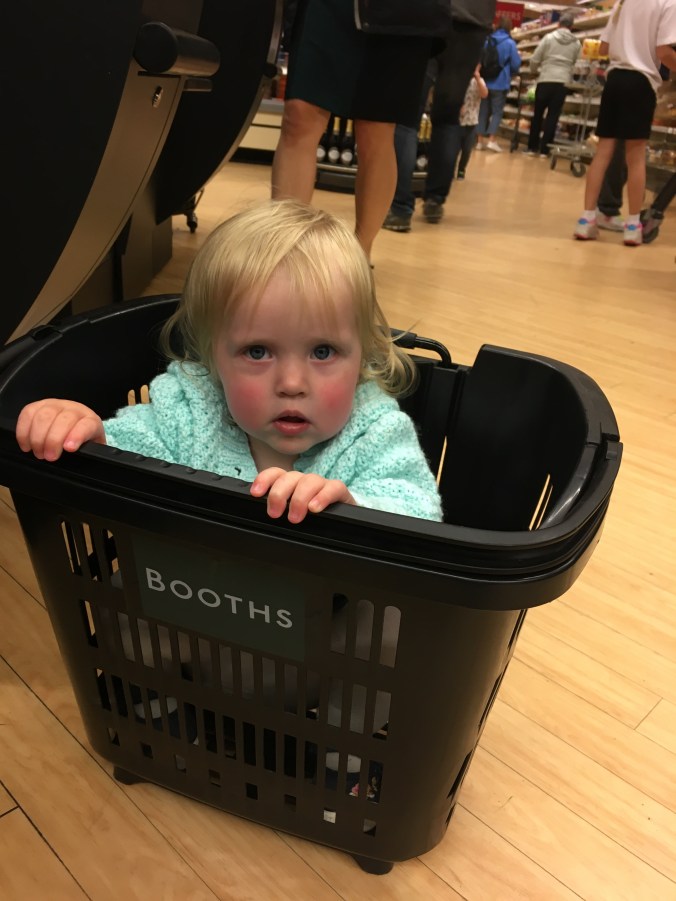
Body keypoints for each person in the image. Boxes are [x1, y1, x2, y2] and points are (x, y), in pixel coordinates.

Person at [16, 200, 443, 524]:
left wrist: (355, 509)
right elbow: (125, 454)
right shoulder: (190, 414)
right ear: (212, 359)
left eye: (322, 352)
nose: (292, 383)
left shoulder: (374, 432)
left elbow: (419, 509)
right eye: (257, 351)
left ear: (363, 356)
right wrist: (86, 433)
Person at [270, 0, 437, 260]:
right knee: (299, 116)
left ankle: (360, 254)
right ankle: (285, 251)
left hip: (400, 10)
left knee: (376, 129)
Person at [382, 0, 495, 232]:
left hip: (427, 14)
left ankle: (400, 209)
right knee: (448, 118)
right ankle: (435, 200)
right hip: (473, 24)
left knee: (407, 118)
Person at [573, 0, 676, 246]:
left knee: (603, 152)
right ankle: (632, 226)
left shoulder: (623, 2)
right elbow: (664, 52)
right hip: (641, 83)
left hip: (615, 80)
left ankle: (586, 220)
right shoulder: (668, 3)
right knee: (636, 157)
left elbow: (604, 47)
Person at [421, 66, 489, 222]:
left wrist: (477, 77)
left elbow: (484, 94)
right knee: (453, 149)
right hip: (457, 122)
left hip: (471, 122)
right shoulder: (457, 79)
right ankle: (448, 175)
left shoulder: (478, 81)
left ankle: (461, 170)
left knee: (466, 149)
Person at [525, 11, 581, 158]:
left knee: (538, 114)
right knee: (553, 116)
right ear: (572, 26)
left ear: (558, 24)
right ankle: (545, 150)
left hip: (545, 79)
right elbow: (578, 64)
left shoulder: (548, 38)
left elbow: (535, 58)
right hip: (562, 82)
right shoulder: (576, 43)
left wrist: (533, 71)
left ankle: (532, 147)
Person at [476, 16, 522, 153]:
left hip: (484, 81)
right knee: (497, 112)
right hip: (500, 82)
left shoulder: (487, 40)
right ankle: (491, 140)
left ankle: (479, 141)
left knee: (483, 111)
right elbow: (516, 64)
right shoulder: (510, 43)